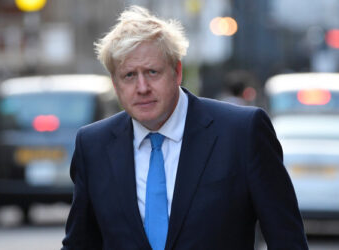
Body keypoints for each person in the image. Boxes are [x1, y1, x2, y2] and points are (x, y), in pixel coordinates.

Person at [61, 5, 308, 250]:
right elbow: (80, 244)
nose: (142, 87)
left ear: (176, 72)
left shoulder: (242, 133)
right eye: (129, 76)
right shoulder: (93, 146)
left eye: (152, 72)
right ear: (115, 84)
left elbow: (287, 240)